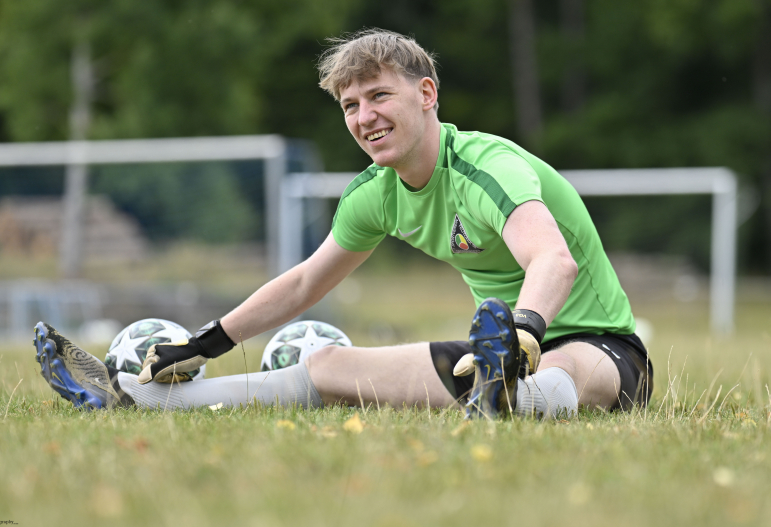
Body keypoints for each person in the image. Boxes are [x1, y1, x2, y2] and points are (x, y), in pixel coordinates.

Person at [33, 29, 653, 419]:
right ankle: (133, 399)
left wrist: (524, 331)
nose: (364, 117)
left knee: (561, 371)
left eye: (379, 95)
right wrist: (202, 343)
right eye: (350, 105)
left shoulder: (488, 166)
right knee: (329, 364)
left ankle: (511, 390)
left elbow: (554, 260)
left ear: (427, 94)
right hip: (497, 356)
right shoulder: (375, 193)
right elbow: (304, 285)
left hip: (597, 351)